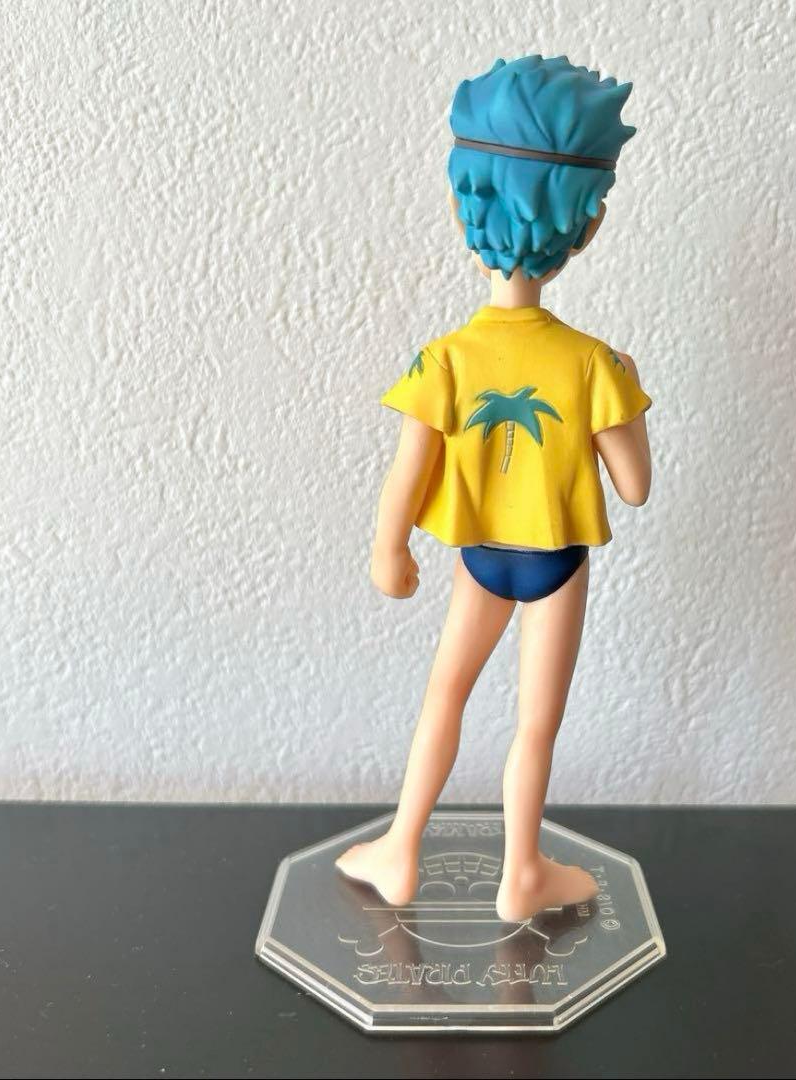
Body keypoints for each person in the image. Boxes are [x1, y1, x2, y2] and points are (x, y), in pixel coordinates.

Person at [336, 54, 652, 922]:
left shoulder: (446, 358)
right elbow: (633, 488)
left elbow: (408, 470)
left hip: (479, 560)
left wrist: (388, 549)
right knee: (534, 725)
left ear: (459, 207)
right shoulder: (593, 363)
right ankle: (522, 872)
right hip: (558, 564)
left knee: (444, 695)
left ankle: (401, 849)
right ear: (587, 227)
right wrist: (632, 391)